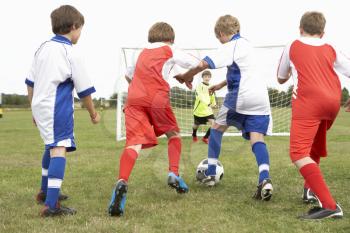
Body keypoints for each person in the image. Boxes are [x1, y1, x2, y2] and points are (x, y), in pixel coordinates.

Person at [176, 15, 273, 201]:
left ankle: (211, 174)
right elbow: (242, 70)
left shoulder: (231, 45)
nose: (220, 41)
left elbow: (204, 64)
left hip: (241, 96)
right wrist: (220, 85)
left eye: (219, 38)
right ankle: (265, 179)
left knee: (216, 128)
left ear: (221, 33)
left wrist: (187, 76)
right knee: (257, 138)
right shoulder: (248, 45)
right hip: (261, 98)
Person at [108, 22, 200, 217]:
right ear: (170, 38)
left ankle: (122, 181)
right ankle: (173, 172)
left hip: (134, 98)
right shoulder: (170, 49)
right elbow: (198, 62)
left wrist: (139, 91)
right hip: (157, 97)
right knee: (173, 134)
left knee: (133, 143)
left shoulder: (141, 52)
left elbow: (128, 75)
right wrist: (185, 76)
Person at [25, 5, 100, 217]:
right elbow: (84, 90)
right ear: (74, 26)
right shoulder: (71, 53)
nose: (80, 35)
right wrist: (93, 114)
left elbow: (30, 82)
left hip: (41, 106)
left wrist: (33, 108)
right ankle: (51, 205)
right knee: (59, 147)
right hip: (57, 107)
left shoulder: (42, 48)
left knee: (50, 144)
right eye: (81, 30)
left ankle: (44, 190)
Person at [277, 11, 350, 219]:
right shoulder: (331, 47)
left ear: (300, 29)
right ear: (322, 32)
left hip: (308, 101)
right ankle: (309, 190)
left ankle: (330, 206)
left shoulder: (293, 44)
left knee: (298, 153)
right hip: (332, 101)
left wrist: (294, 68)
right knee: (314, 147)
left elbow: (281, 78)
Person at [192, 70, 217, 144]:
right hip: (199, 110)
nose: (207, 78)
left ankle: (205, 137)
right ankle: (194, 134)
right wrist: (207, 103)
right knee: (196, 125)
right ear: (202, 77)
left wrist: (214, 104)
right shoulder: (199, 86)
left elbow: (212, 96)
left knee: (214, 124)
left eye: (208, 77)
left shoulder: (211, 87)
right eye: (205, 76)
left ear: (210, 78)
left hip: (208, 110)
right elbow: (200, 96)